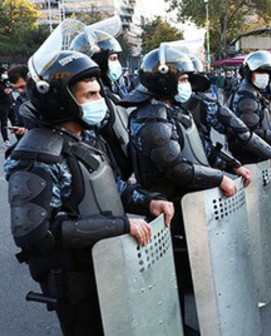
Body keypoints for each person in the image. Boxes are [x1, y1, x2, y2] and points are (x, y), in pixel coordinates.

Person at [5, 48, 174, 335]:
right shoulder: (36, 155)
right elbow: (36, 232)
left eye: (99, 93)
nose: (100, 102)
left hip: (109, 265)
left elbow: (112, 186)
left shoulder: (85, 137)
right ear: (61, 100)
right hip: (76, 280)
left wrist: (150, 201)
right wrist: (119, 225)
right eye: (90, 96)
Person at [121, 44, 239, 335]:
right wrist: (218, 178)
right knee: (171, 276)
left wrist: (232, 166)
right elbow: (177, 168)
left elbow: (201, 149)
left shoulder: (170, 111)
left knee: (185, 272)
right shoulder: (152, 117)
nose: (186, 85)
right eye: (183, 79)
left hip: (183, 205)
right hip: (170, 205)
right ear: (166, 80)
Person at [70, 27, 134, 180]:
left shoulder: (111, 90)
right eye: (112, 59)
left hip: (121, 175)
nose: (116, 64)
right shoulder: (84, 99)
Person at [6, 64, 30, 137]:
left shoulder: (46, 100)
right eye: (16, 88)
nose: (20, 91)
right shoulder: (19, 101)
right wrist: (20, 129)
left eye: (22, 87)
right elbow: (19, 123)